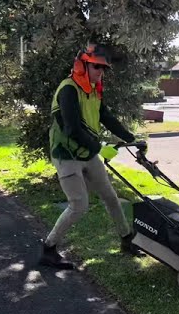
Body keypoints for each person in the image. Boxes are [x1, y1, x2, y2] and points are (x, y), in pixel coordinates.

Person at [40, 44, 137, 269]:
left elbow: (106, 116)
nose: (100, 72)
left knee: (110, 197)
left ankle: (126, 239)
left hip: (88, 153)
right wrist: (100, 148)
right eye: (96, 67)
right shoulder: (68, 90)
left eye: (103, 69)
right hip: (67, 155)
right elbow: (72, 129)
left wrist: (129, 137)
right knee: (79, 205)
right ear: (82, 65)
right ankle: (49, 248)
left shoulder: (93, 90)